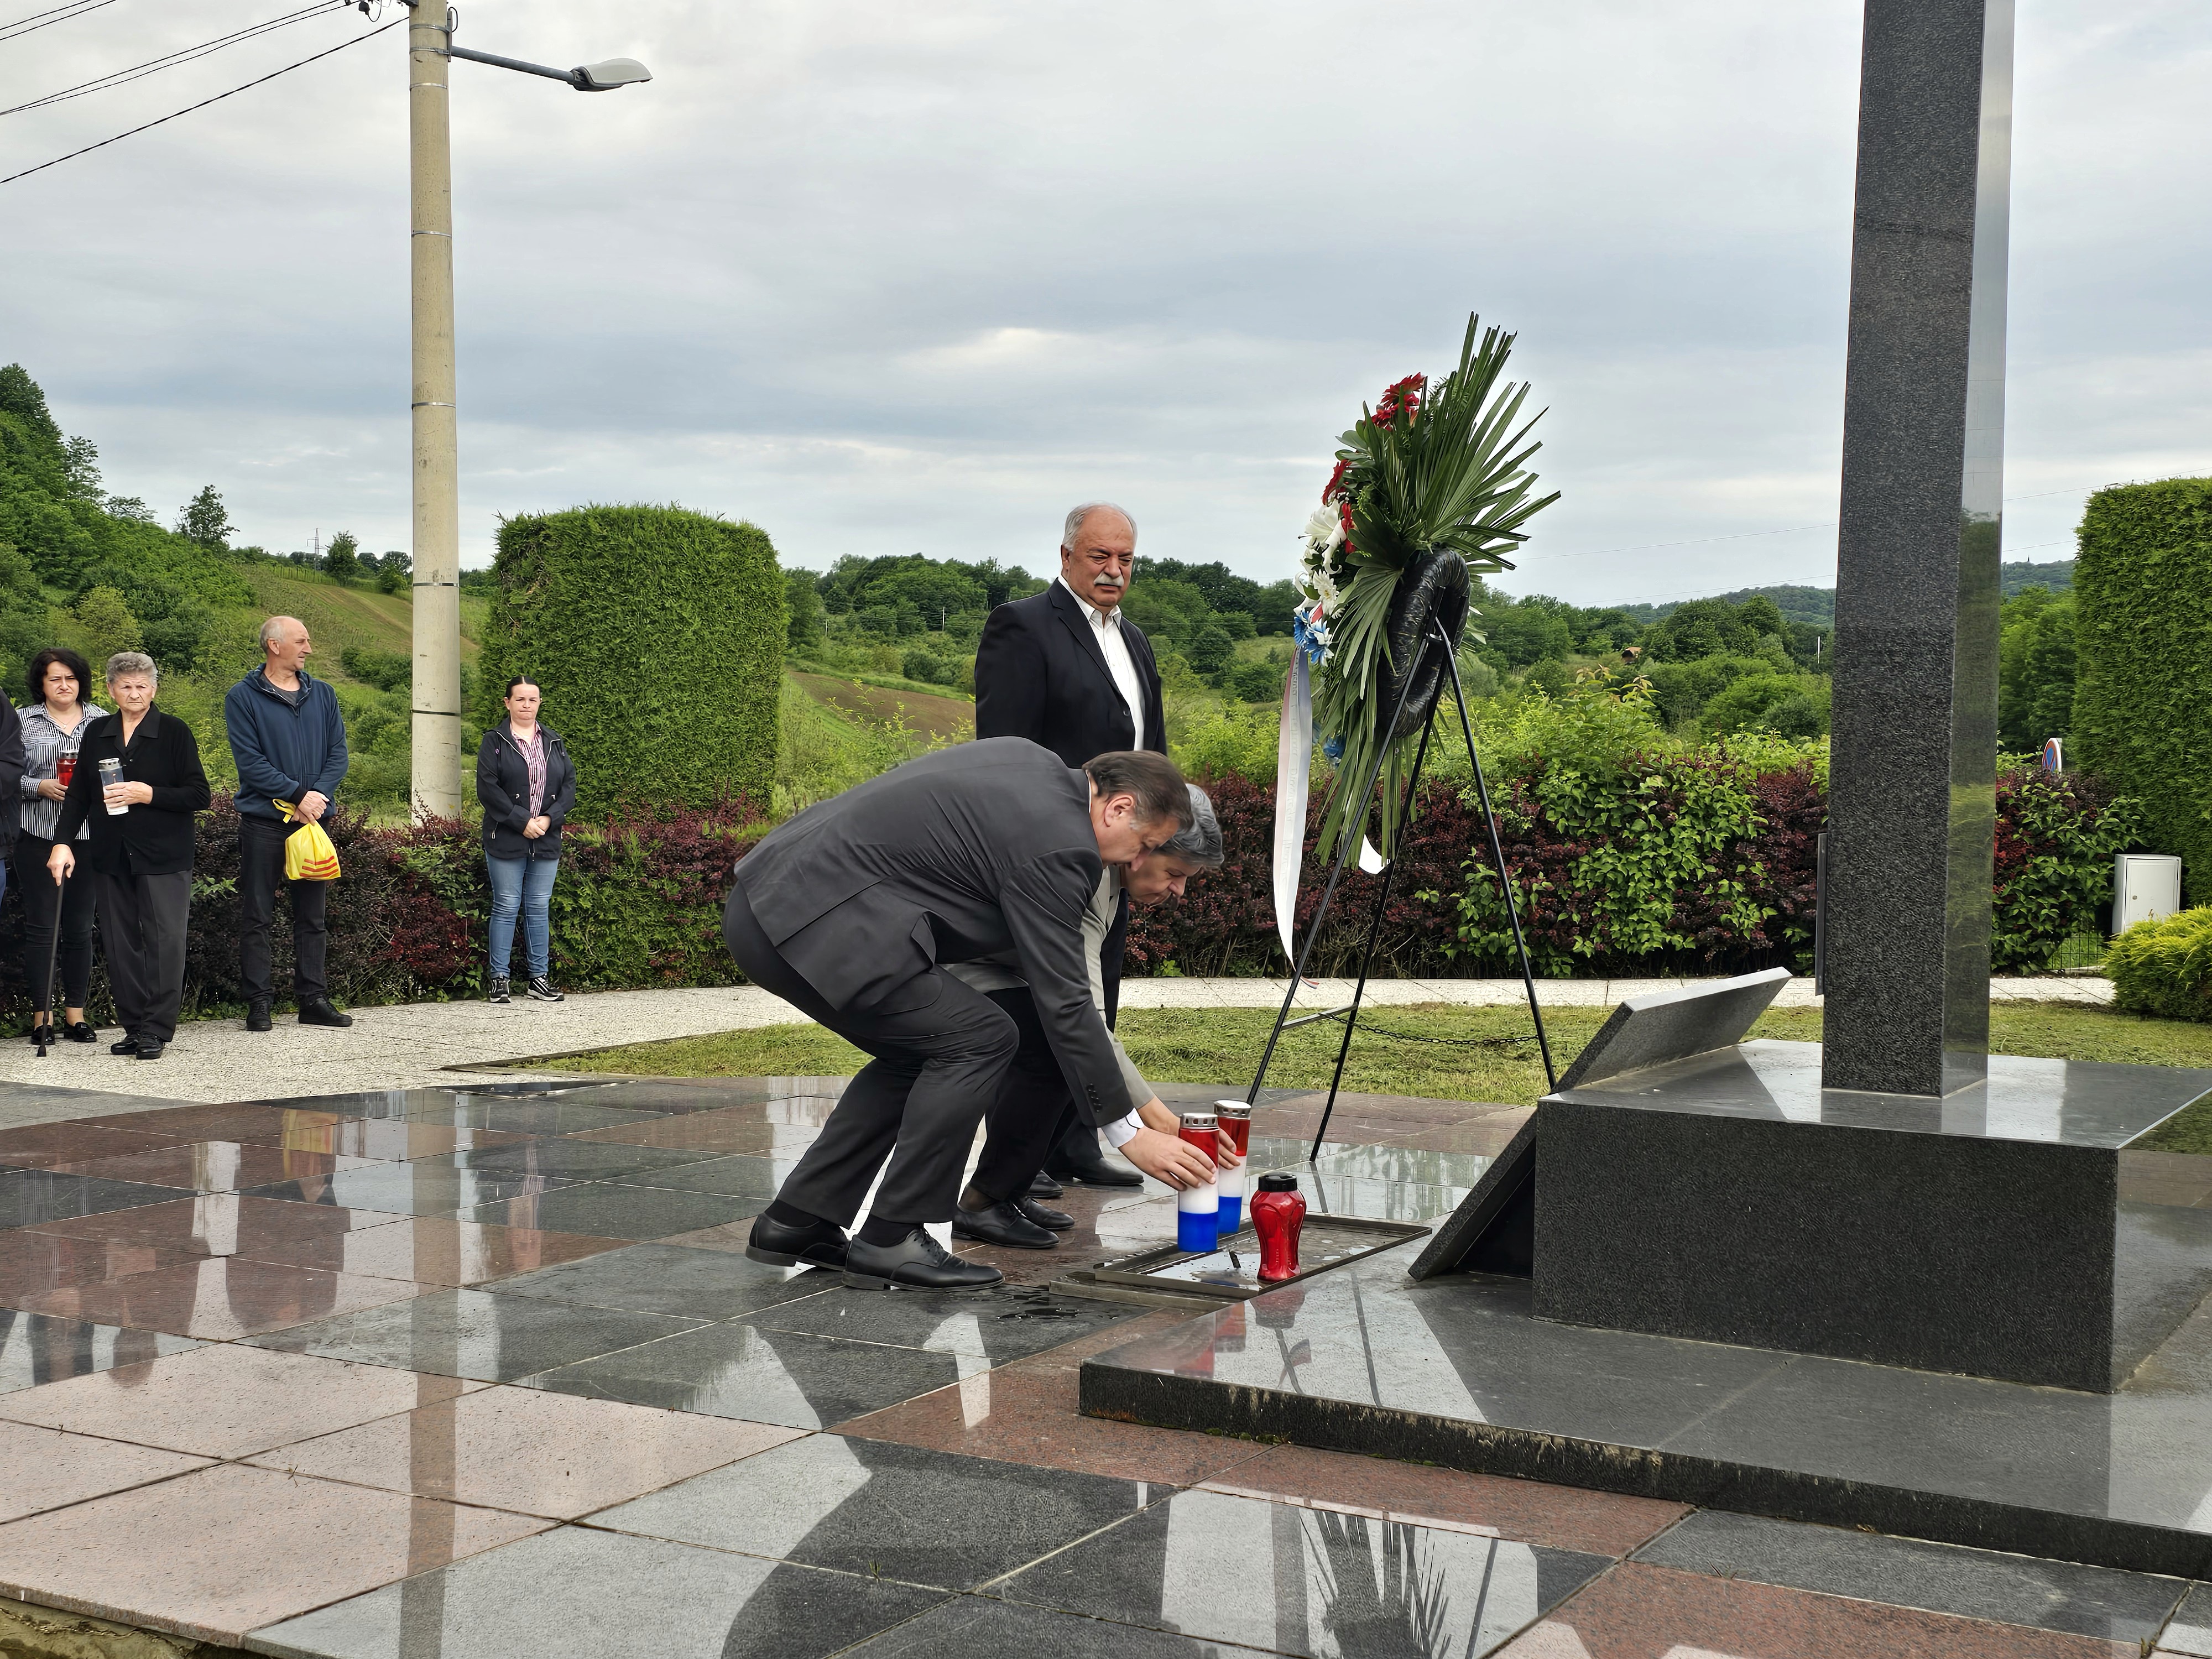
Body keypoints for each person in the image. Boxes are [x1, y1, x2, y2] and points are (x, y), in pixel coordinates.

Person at [724, 740, 1192, 1290]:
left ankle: (798, 1220)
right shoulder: (1062, 845)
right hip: (813, 922)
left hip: (772, 904)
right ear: (1118, 808)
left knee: (920, 1051)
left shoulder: (1029, 762)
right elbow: (1065, 999)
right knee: (981, 1038)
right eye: (1145, 845)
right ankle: (893, 1234)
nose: (1136, 862)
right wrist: (1128, 1132)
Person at [950, 784, 1237, 1248]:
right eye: (1175, 873)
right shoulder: (1087, 875)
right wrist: (1154, 1123)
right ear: (1144, 848)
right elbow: (1083, 1017)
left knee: (1077, 1059)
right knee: (1058, 1053)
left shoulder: (1109, 881)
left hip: (1006, 970)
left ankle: (1012, 1191)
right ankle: (984, 1201)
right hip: (961, 966)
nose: (1179, 891)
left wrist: (1154, 1119)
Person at [974, 501, 1166, 1190]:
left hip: (1116, 849)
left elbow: (1151, 752)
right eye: (1099, 556)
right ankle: (1016, 1161)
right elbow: (1004, 751)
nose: (1114, 570)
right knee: (1042, 999)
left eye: (1125, 559)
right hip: (1046, 850)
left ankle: (1075, 1140)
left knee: (1099, 995)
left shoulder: (1135, 639)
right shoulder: (1023, 626)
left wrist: (1155, 837)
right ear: (1065, 556)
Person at [50, 653, 211, 1061]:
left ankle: (156, 1029)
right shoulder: (97, 732)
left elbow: (199, 794)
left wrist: (148, 793)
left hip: (163, 854)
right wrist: (62, 843)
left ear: (154, 689)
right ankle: (135, 1027)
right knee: (120, 943)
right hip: (110, 852)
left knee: (165, 941)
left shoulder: (174, 731)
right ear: (111, 690)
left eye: (142, 686)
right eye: (126, 686)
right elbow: (79, 796)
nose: (134, 693)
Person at [223, 615, 351, 1031]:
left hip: (313, 822)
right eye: (301, 641)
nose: (308, 649)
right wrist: (298, 795)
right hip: (264, 822)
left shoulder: (324, 694)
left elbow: (338, 755)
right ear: (274, 645)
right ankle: (259, 1003)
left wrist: (315, 798)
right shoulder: (242, 697)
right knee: (257, 915)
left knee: (313, 917)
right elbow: (251, 763)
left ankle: (313, 1000)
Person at [16, 649, 102, 1045]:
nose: (64, 685)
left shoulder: (103, 720)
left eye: (70, 678)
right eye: (55, 679)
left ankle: (75, 1016)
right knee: (42, 928)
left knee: (80, 929)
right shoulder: (22, 720)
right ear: (42, 683)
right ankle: (42, 1018)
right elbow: (6, 774)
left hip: (89, 836)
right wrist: (38, 786)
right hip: (38, 834)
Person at [475, 677, 576, 1005]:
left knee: (538, 907)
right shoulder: (494, 741)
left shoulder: (554, 741)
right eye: (520, 699)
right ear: (507, 703)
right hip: (506, 837)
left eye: (533, 699)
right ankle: (499, 979)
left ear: (540, 703)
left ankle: (539, 980)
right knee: (506, 905)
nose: (526, 705)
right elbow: (488, 788)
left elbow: (569, 786)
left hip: (546, 838)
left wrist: (549, 819)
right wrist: (522, 822)